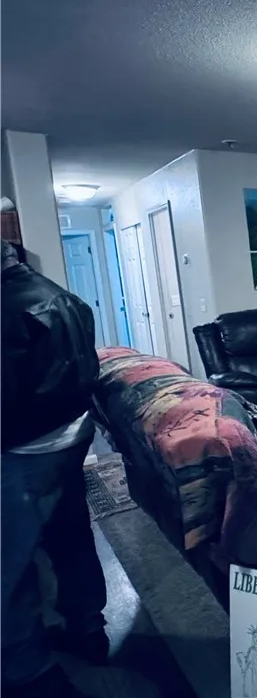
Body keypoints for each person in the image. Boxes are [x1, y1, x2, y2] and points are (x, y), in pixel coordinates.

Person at [2, 239, 108, 698]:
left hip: (23, 451)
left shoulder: (6, 311)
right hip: (72, 437)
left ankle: (29, 674)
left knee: (9, 564)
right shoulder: (62, 296)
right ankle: (89, 630)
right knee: (71, 537)